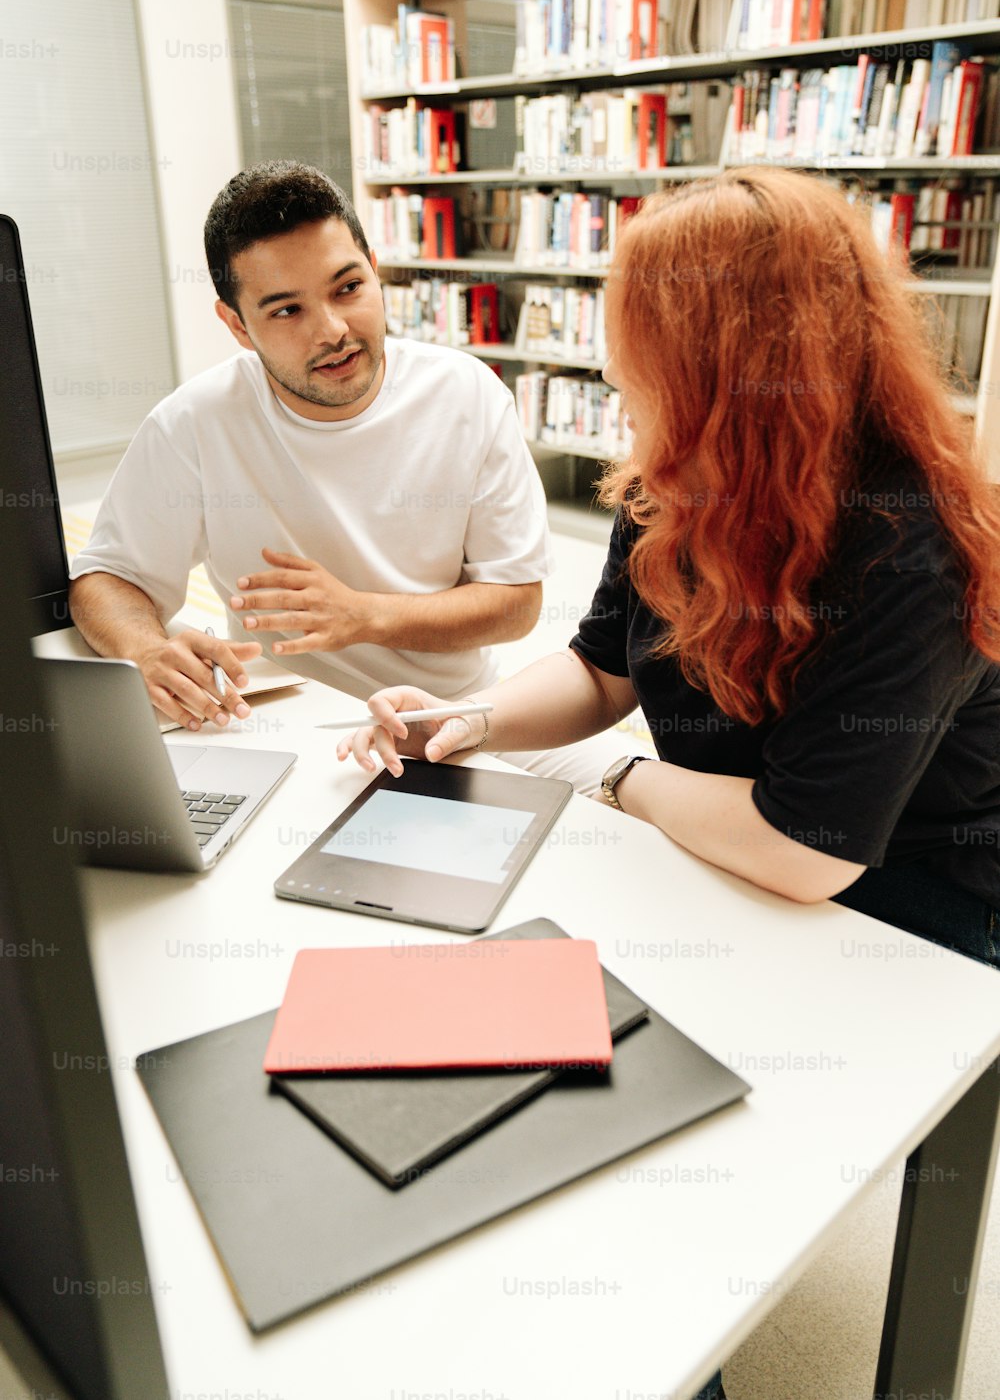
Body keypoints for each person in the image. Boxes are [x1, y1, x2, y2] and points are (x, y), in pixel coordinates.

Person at [341, 165, 1000, 1398]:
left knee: (621, 1129)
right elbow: (598, 670)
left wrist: (619, 785)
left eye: (639, 347)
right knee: (514, 1031)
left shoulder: (916, 540)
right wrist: (473, 720)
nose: (612, 376)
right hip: (723, 841)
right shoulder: (685, 477)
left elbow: (809, 850)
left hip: (904, 902)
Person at [68, 161, 553, 731]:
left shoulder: (468, 394)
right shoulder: (195, 422)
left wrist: (364, 615)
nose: (332, 330)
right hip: (287, 719)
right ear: (238, 326)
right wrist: (147, 652)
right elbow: (105, 579)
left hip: (453, 716)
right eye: (287, 310)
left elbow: (517, 603)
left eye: (348, 288)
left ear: (375, 272)